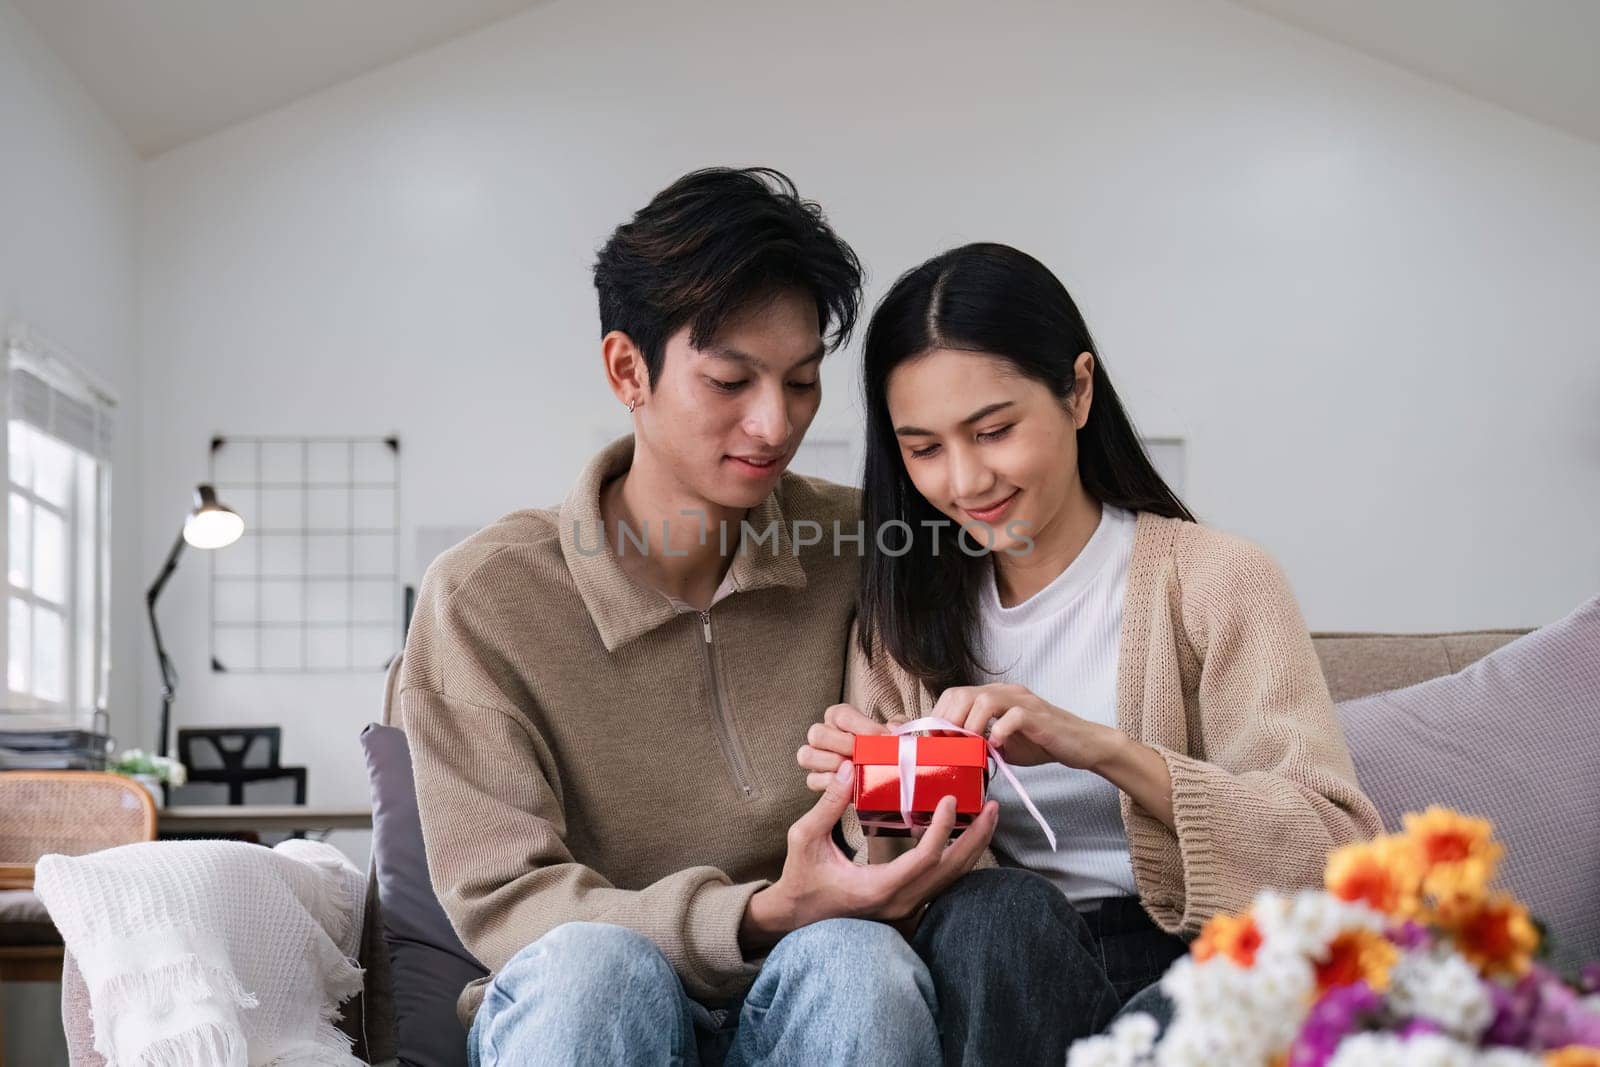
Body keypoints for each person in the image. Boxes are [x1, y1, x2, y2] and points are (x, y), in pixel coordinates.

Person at [401, 168, 1009, 1066]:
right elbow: (504, 899)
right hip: (591, 990)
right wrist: (754, 913)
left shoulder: (864, 543)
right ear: (626, 370)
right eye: (730, 380)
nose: (774, 423)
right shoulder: (484, 597)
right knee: (592, 972)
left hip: (812, 973)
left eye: (801, 383)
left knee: (859, 966)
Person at [798, 241, 1384, 1061]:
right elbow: (894, 906)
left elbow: (1331, 852)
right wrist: (878, 802)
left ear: (1077, 390)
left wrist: (1096, 746)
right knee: (994, 913)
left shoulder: (1215, 578)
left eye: (994, 429)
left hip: (1197, 957)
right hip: (1001, 976)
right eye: (924, 448)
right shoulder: (902, 621)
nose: (965, 480)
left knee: (1233, 984)